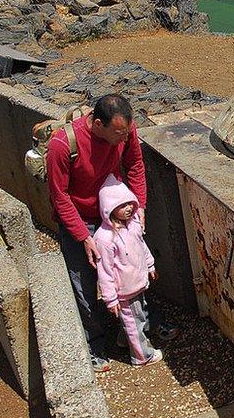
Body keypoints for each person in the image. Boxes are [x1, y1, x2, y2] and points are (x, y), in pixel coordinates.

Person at [47, 94, 176, 372]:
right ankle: (94, 344)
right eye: (117, 134)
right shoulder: (62, 145)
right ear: (96, 124)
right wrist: (83, 236)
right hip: (80, 218)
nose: (123, 139)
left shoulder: (124, 133)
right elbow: (60, 197)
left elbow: (135, 166)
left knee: (131, 268)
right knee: (84, 280)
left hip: (115, 211)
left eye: (126, 133)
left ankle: (142, 324)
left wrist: (139, 204)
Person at [94, 174, 162, 366]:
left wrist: (150, 265)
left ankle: (123, 342)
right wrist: (110, 298)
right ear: (109, 209)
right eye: (122, 206)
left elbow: (142, 247)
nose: (129, 208)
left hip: (137, 283)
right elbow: (105, 272)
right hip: (124, 290)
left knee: (134, 318)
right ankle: (142, 356)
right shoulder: (104, 238)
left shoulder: (132, 225)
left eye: (130, 203)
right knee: (135, 323)